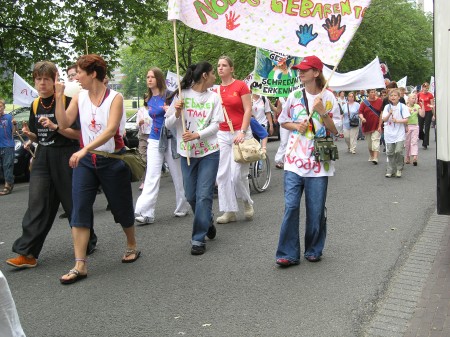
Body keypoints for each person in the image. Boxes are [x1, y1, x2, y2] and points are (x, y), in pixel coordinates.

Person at [55, 54, 139, 284]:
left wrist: (84, 148)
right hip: (85, 163)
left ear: (93, 74)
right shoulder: (79, 96)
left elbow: (111, 130)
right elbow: (63, 124)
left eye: (80, 73)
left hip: (111, 159)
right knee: (79, 209)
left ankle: (131, 243)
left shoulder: (116, 98)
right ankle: (79, 264)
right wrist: (59, 97)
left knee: (121, 207)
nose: (76, 77)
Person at [6, 61, 97, 270]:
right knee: (37, 203)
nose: (42, 83)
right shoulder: (36, 105)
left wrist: (57, 126)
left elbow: (80, 134)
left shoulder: (68, 101)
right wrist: (32, 136)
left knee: (73, 202)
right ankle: (27, 252)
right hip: (43, 155)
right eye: (38, 79)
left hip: (67, 154)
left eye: (47, 79)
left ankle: (88, 239)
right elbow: (40, 136)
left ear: (55, 79)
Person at [275, 55, 338, 267]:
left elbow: (337, 130)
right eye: (299, 69)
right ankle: (288, 252)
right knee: (291, 206)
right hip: (294, 162)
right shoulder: (293, 96)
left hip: (319, 164)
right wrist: (296, 126)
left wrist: (323, 113)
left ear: (316, 73)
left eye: (305, 69)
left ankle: (313, 248)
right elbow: (283, 121)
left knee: (316, 209)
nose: (300, 72)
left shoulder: (329, 98)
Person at [165, 61, 223, 255]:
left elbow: (216, 125)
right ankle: (207, 221)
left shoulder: (214, 97)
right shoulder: (182, 95)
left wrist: (197, 134)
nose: (215, 76)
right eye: (212, 73)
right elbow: (168, 123)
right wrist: (178, 112)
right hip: (187, 153)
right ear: (205, 75)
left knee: (204, 194)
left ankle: (198, 239)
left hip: (209, 152)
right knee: (190, 195)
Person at [134, 67, 189, 224]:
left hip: (170, 139)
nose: (149, 79)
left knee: (177, 175)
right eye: (147, 77)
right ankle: (145, 212)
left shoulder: (169, 96)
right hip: (154, 139)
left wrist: (170, 110)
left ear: (158, 78)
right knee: (152, 175)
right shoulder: (149, 98)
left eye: (152, 77)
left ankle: (182, 207)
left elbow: (179, 117)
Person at [215, 55, 254, 224]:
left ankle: (247, 202)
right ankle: (229, 210)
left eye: (224, 65)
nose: (220, 68)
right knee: (222, 174)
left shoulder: (241, 86)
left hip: (240, 131)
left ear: (232, 68)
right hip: (222, 134)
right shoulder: (215, 90)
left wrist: (243, 131)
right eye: (218, 65)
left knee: (237, 174)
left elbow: (248, 110)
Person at [381, 88, 410, 178]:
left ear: (399, 97)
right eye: (391, 95)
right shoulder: (387, 107)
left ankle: (399, 168)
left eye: (395, 95)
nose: (393, 97)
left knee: (398, 151)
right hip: (389, 133)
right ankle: (390, 170)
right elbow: (384, 119)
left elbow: (407, 119)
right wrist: (389, 114)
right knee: (390, 152)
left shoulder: (403, 107)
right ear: (389, 97)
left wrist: (397, 121)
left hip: (399, 133)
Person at [358, 89, 383, 164]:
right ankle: (372, 155)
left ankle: (375, 158)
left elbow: (381, 113)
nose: (373, 93)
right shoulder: (364, 103)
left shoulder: (379, 101)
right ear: (368, 93)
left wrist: (380, 125)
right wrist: (362, 118)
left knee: (375, 140)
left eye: (374, 92)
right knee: (370, 144)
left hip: (376, 125)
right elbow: (360, 112)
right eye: (371, 92)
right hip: (367, 126)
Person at [0, 98, 17, 196]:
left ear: (3, 107)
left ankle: (8, 185)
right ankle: (10, 179)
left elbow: (14, 132)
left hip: (7, 145)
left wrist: (14, 124)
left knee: (7, 165)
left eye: (0, 106)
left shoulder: (9, 117)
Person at [136, 101, 152, 190]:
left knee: (151, 159)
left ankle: (145, 181)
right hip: (143, 136)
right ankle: (146, 180)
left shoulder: (154, 109)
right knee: (144, 159)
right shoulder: (141, 111)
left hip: (153, 136)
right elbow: (136, 126)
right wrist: (139, 123)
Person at [405, 93, 423, 166]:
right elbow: (404, 117)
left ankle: (415, 157)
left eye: (415, 98)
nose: (414, 100)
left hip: (415, 126)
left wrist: (423, 106)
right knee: (407, 143)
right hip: (408, 126)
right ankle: (407, 157)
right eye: (412, 98)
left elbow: (422, 115)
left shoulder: (417, 106)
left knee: (414, 141)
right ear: (408, 99)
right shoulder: (405, 107)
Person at [416, 82, 435, 150]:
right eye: (424, 87)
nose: (425, 89)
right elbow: (416, 104)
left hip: (428, 112)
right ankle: (423, 138)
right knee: (420, 128)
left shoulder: (430, 95)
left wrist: (434, 115)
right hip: (421, 111)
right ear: (422, 87)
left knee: (427, 128)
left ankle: (425, 144)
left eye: (427, 88)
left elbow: (432, 105)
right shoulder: (419, 94)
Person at [274, 97, 288, 169]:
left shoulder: (296, 94)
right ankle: (279, 161)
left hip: (295, 121)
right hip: (284, 123)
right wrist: (269, 104)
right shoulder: (281, 98)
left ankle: (292, 160)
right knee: (284, 142)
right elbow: (278, 110)